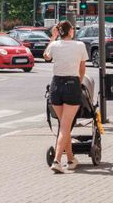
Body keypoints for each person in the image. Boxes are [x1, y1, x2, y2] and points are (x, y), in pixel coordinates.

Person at [43, 21, 89, 174]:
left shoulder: (54, 45)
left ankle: (70, 159)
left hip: (55, 85)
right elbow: (82, 69)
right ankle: (57, 160)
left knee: (64, 124)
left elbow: (46, 56)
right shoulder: (79, 45)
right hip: (72, 84)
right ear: (70, 31)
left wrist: (52, 37)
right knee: (65, 126)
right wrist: (79, 83)